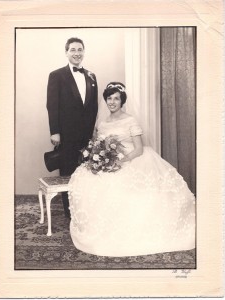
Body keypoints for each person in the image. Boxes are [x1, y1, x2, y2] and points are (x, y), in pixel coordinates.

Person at [68, 82, 195, 257]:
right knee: (87, 182)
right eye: (109, 98)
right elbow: (100, 144)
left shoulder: (130, 120)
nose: (112, 102)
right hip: (108, 160)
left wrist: (121, 162)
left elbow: (139, 149)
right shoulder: (103, 123)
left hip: (131, 159)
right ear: (105, 100)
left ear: (122, 101)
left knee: (125, 190)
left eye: (116, 98)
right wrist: (101, 159)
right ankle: (99, 229)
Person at [47, 37, 98, 218]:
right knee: (67, 170)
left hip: (86, 135)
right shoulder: (56, 75)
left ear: (84, 52)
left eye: (80, 50)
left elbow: (93, 108)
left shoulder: (91, 76)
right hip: (66, 134)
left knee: (85, 171)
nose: (77, 53)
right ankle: (70, 212)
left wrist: (92, 133)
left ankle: (83, 208)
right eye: (73, 50)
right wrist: (55, 131)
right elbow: (52, 105)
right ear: (67, 53)